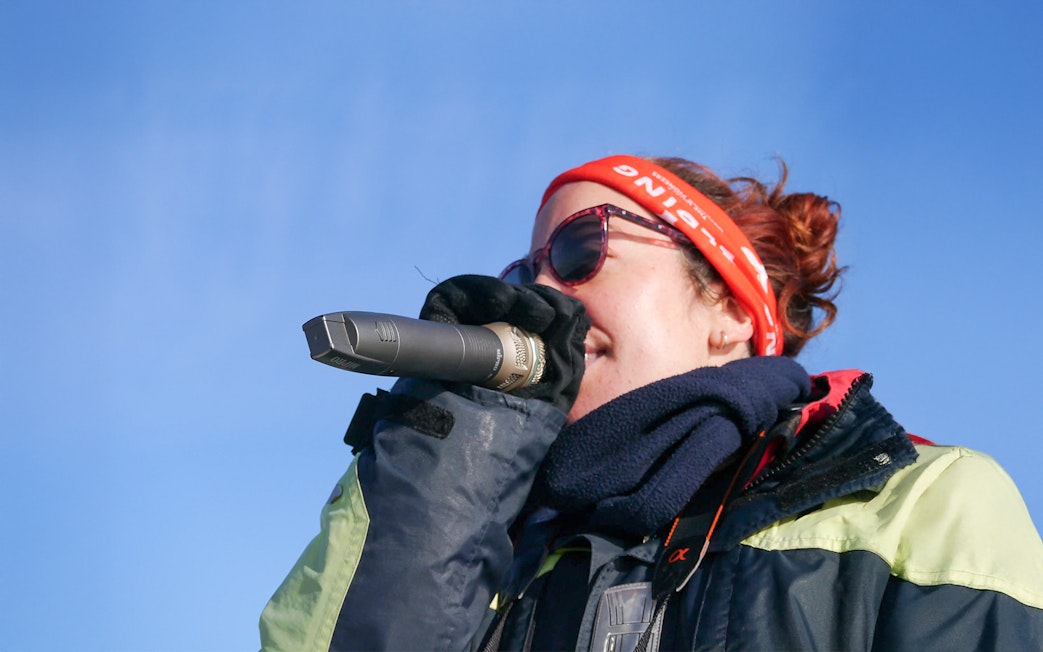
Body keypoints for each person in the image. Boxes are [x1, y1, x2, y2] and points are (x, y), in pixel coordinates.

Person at [259, 154, 1043, 651]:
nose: (540, 293)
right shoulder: (484, 550)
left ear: (728, 310)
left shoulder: (916, 501)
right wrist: (440, 454)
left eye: (580, 249)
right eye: (524, 270)